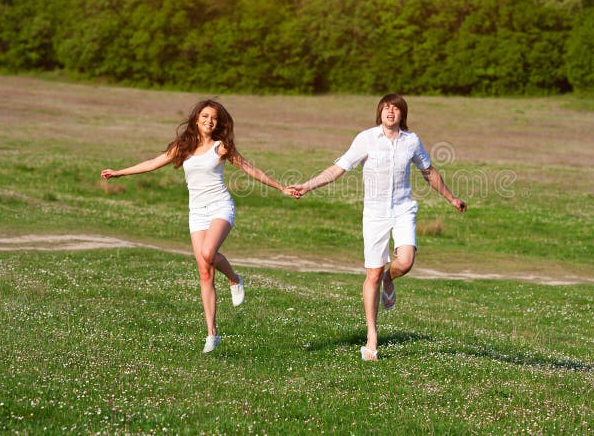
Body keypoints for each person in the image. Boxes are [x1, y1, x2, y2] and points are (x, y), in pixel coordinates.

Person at [101, 99, 297, 353]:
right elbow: (152, 163)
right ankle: (211, 334)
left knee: (208, 252)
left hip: (220, 208)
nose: (209, 121)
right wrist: (119, 172)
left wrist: (281, 187)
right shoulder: (183, 147)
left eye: (214, 118)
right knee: (205, 273)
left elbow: (250, 169)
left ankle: (235, 279)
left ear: (218, 123)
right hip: (197, 213)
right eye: (205, 116)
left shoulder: (221, 147)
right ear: (196, 119)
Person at [291, 94, 466, 361]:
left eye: (396, 108)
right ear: (379, 113)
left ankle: (389, 278)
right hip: (374, 214)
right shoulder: (366, 139)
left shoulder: (412, 141)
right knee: (371, 274)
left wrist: (452, 198)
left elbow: (428, 171)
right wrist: (308, 185)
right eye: (386, 108)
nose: (390, 112)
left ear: (402, 115)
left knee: (405, 262)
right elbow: (339, 168)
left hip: (402, 209)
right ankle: (372, 336)